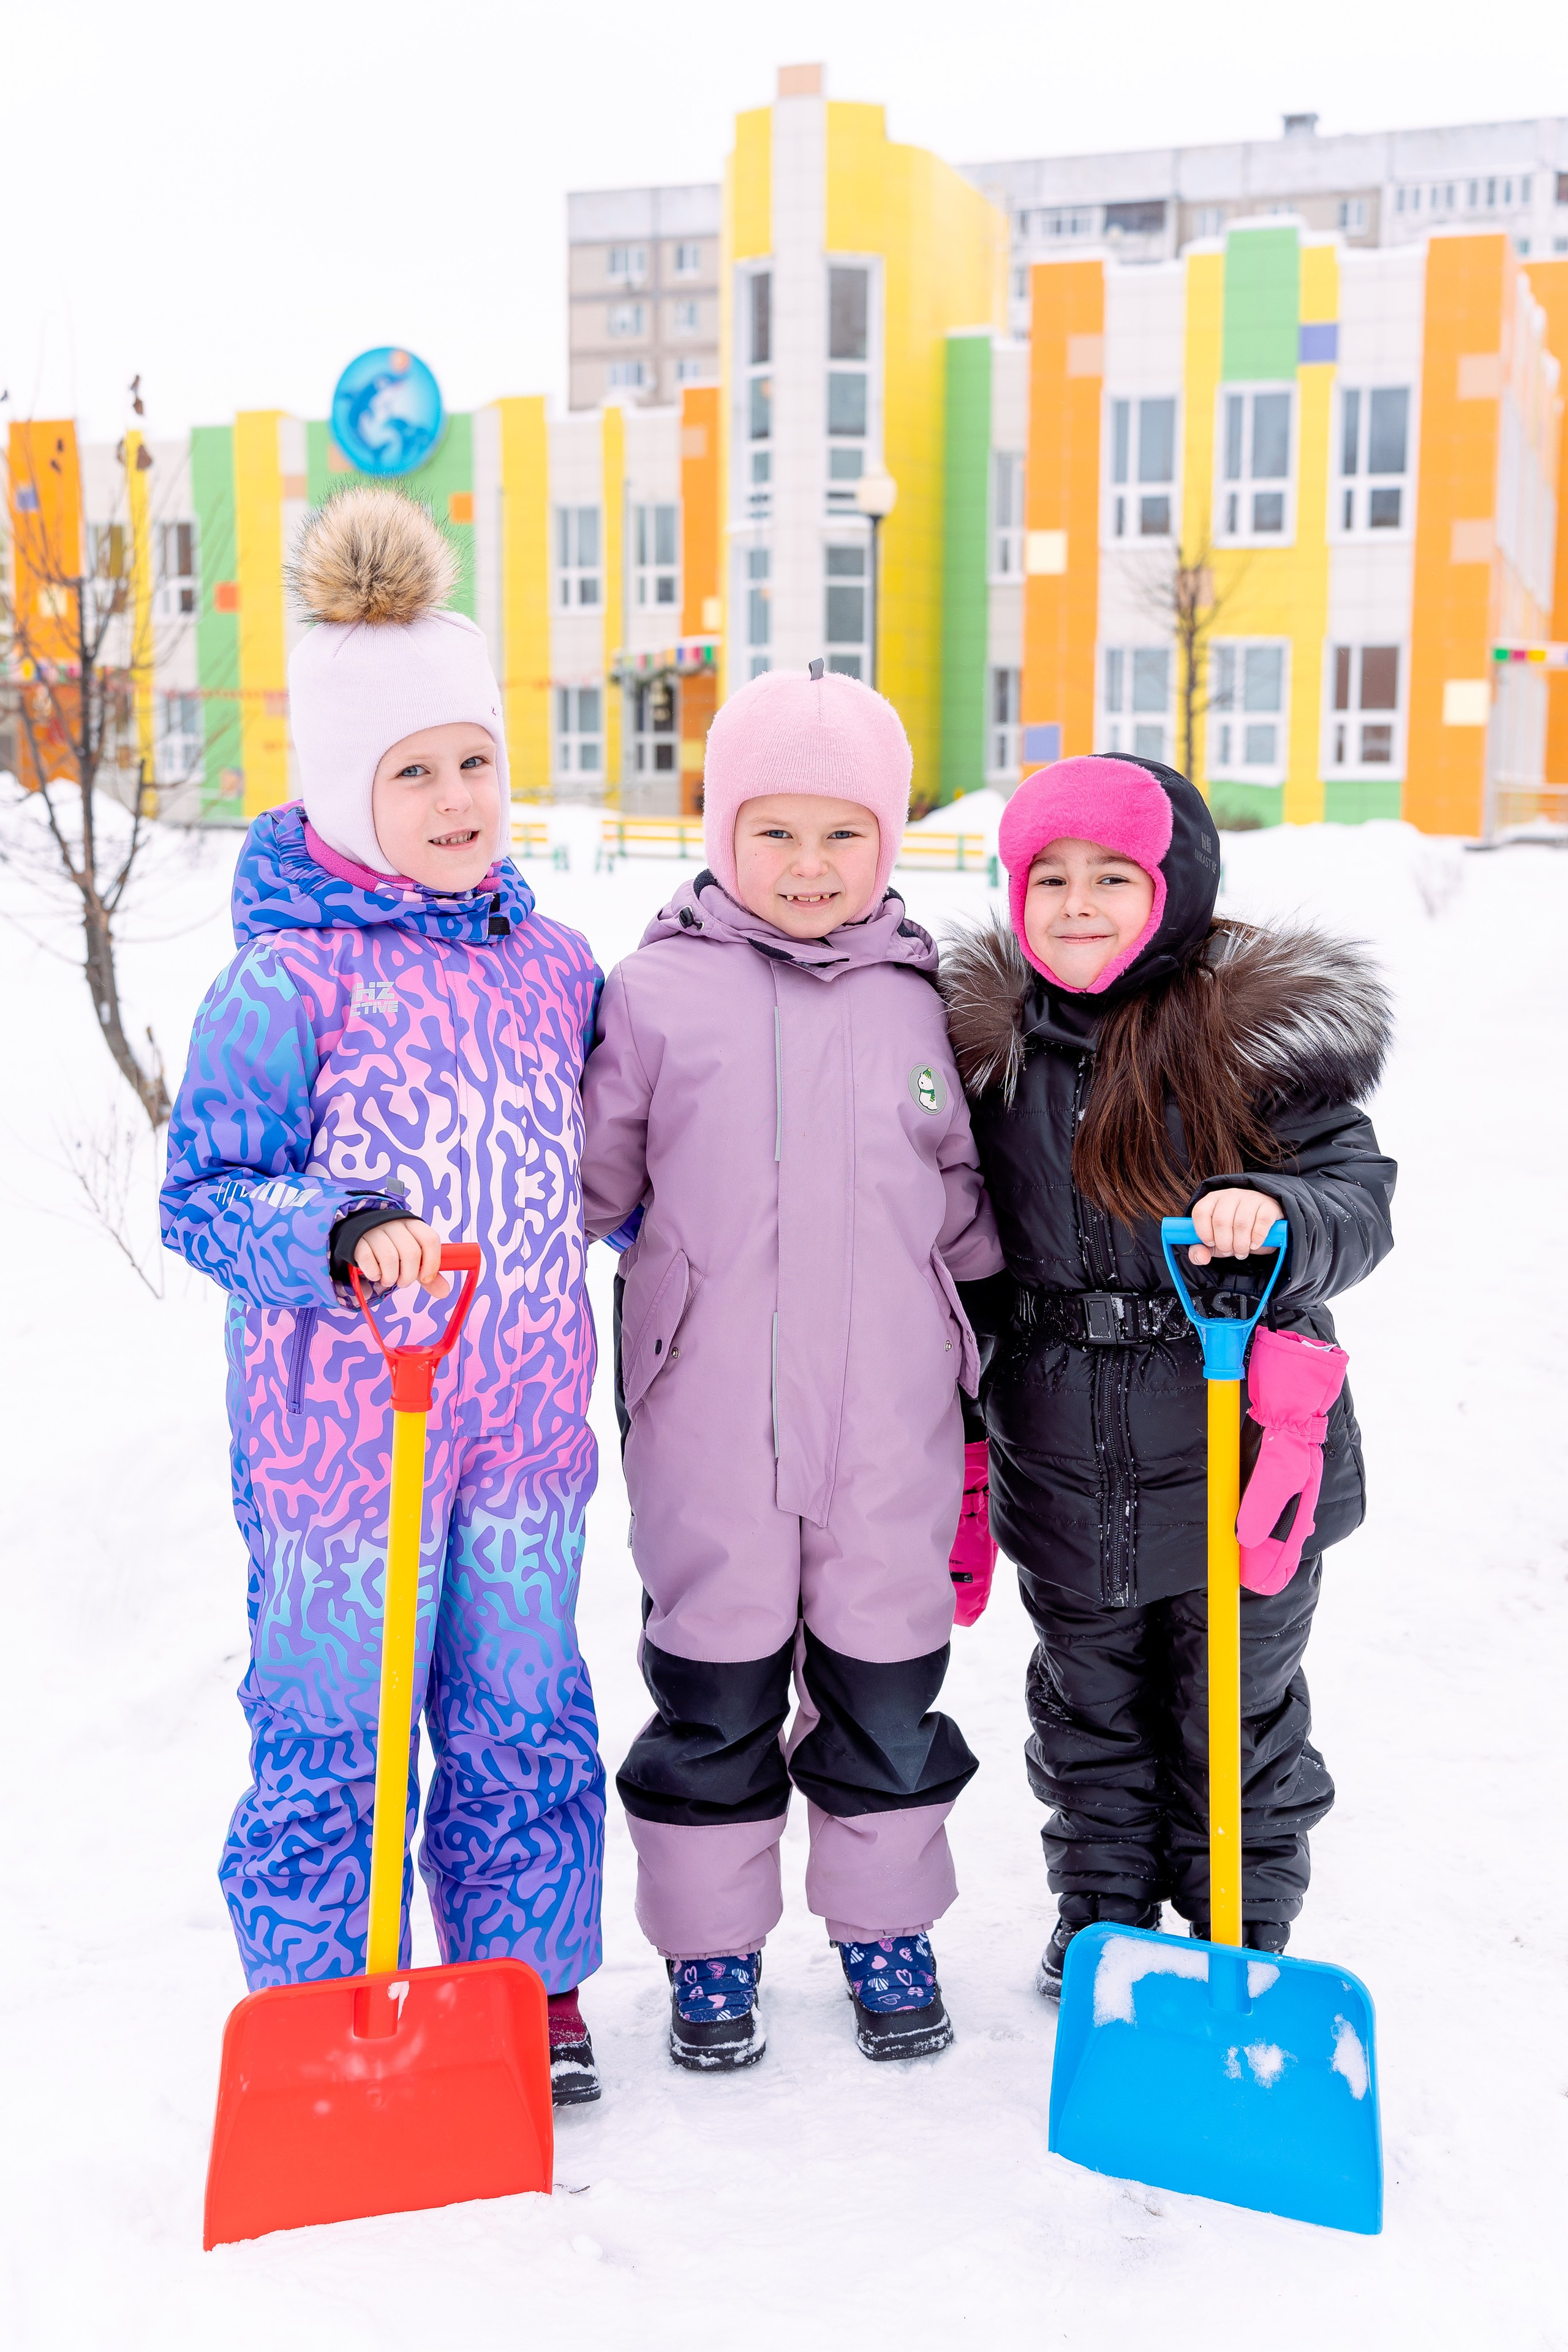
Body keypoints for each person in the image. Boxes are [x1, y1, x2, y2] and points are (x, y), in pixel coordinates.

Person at [160, 489, 607, 2105]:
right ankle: (322, 2008)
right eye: (411, 773)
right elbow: (205, 1197)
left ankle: (525, 1986)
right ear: (345, 795)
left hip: (527, 1433)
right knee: (335, 1731)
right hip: (342, 1453)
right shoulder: (285, 983)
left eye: (473, 761)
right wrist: (343, 1232)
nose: (455, 798)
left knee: (522, 1710)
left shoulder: (555, 966)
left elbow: (617, 1155)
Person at [580, 663, 1002, 2070]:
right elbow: (589, 1180)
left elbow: (963, 1201)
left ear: (885, 841)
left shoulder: (924, 1002)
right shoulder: (655, 994)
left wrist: (987, 1337)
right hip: (707, 1417)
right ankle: (709, 1946)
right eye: (773, 831)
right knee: (715, 1682)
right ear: (721, 834)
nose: (807, 864)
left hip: (890, 1421)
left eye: (841, 834)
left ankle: (884, 1923)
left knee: (885, 1682)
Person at [938, 754, 1395, 1995]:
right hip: (1057, 1447)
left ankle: (1240, 1921)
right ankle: (1102, 1911)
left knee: (1233, 1706)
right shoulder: (990, 1055)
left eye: (1112, 877)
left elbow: (1358, 1198)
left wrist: (1277, 1210)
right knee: (1086, 1704)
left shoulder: (1246, 1043)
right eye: (1048, 879)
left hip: (1239, 1448)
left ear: (1174, 886)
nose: (1076, 904)